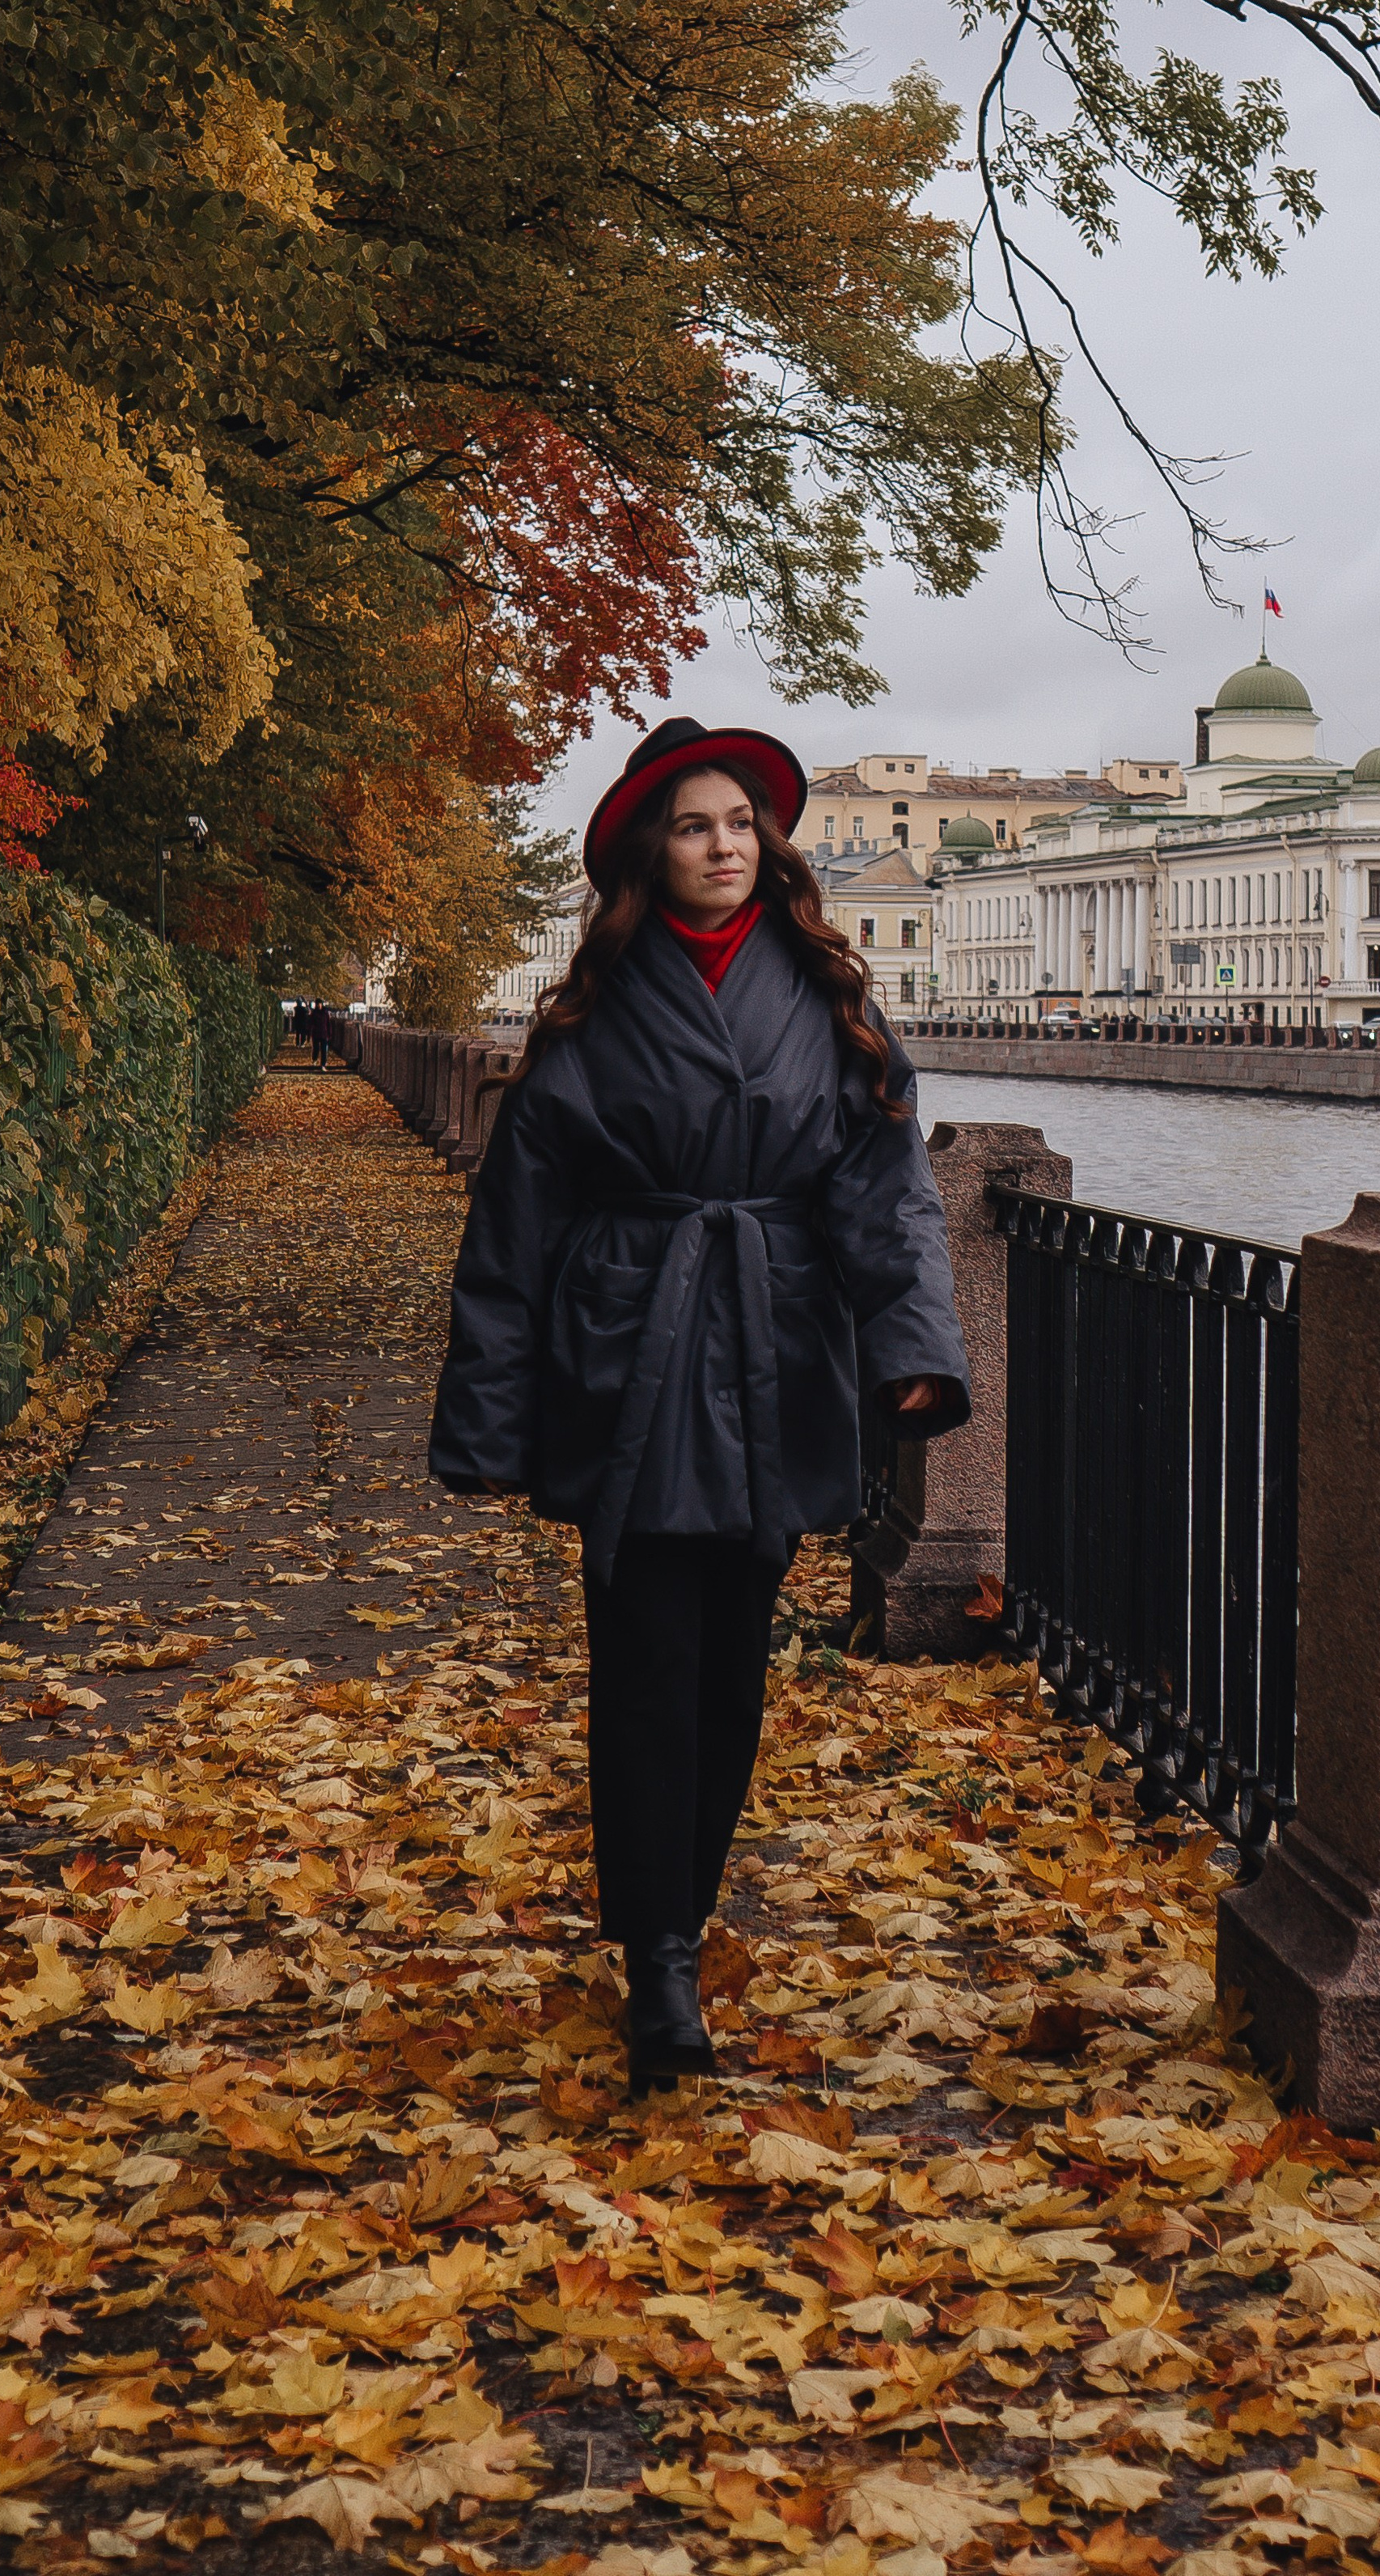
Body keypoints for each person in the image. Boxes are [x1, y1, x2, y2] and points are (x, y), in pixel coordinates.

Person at [429, 716, 970, 2091]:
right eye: (693, 826)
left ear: (766, 842)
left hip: (776, 1345)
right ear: (648, 853)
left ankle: (683, 1909)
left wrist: (911, 1342)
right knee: (647, 1655)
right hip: (633, 1349)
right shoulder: (595, 1009)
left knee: (735, 1661)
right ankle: (660, 1954)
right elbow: (517, 1222)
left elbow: (887, 1190)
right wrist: (489, 1421)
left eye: (740, 823)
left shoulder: (827, 989)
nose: (723, 847)